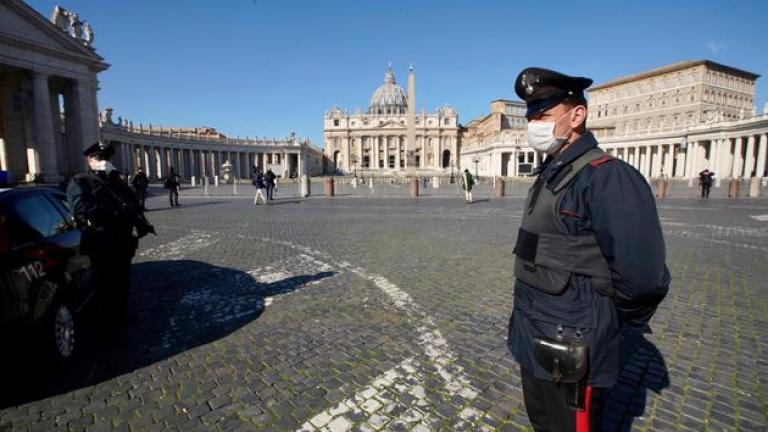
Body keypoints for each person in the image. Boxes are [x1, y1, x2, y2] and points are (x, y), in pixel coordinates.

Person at [507, 67, 670, 431]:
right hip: (534, 336)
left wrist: (607, 323)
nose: (534, 123)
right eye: (531, 116)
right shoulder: (552, 173)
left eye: (544, 115)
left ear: (576, 115)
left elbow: (644, 278)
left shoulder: (608, 177)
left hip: (574, 345)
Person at [67, 142, 154, 331]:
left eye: (106, 158)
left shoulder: (116, 181)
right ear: (89, 160)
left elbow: (133, 203)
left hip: (122, 242)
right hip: (101, 241)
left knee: (122, 281)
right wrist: (115, 212)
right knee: (103, 285)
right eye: (99, 158)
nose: (103, 162)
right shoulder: (80, 181)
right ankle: (106, 325)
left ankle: (119, 316)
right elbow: (80, 209)